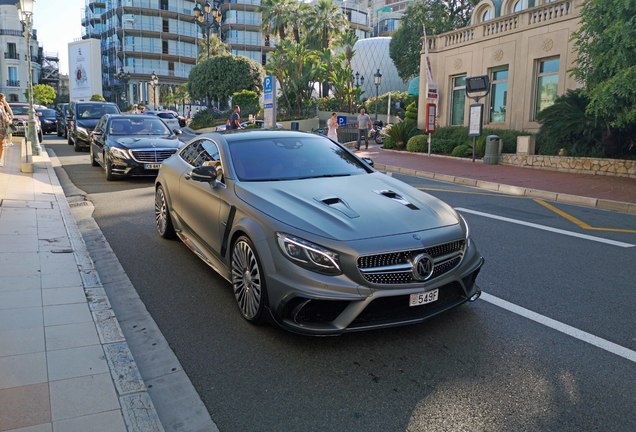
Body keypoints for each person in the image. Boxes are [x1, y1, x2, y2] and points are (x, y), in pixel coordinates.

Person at [0, 93, 14, 166]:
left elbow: (9, 111)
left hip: (3, 121)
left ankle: (9, 141)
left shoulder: (4, 104)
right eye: (4, 97)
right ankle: (6, 141)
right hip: (4, 121)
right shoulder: (3, 104)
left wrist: (10, 117)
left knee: (7, 132)